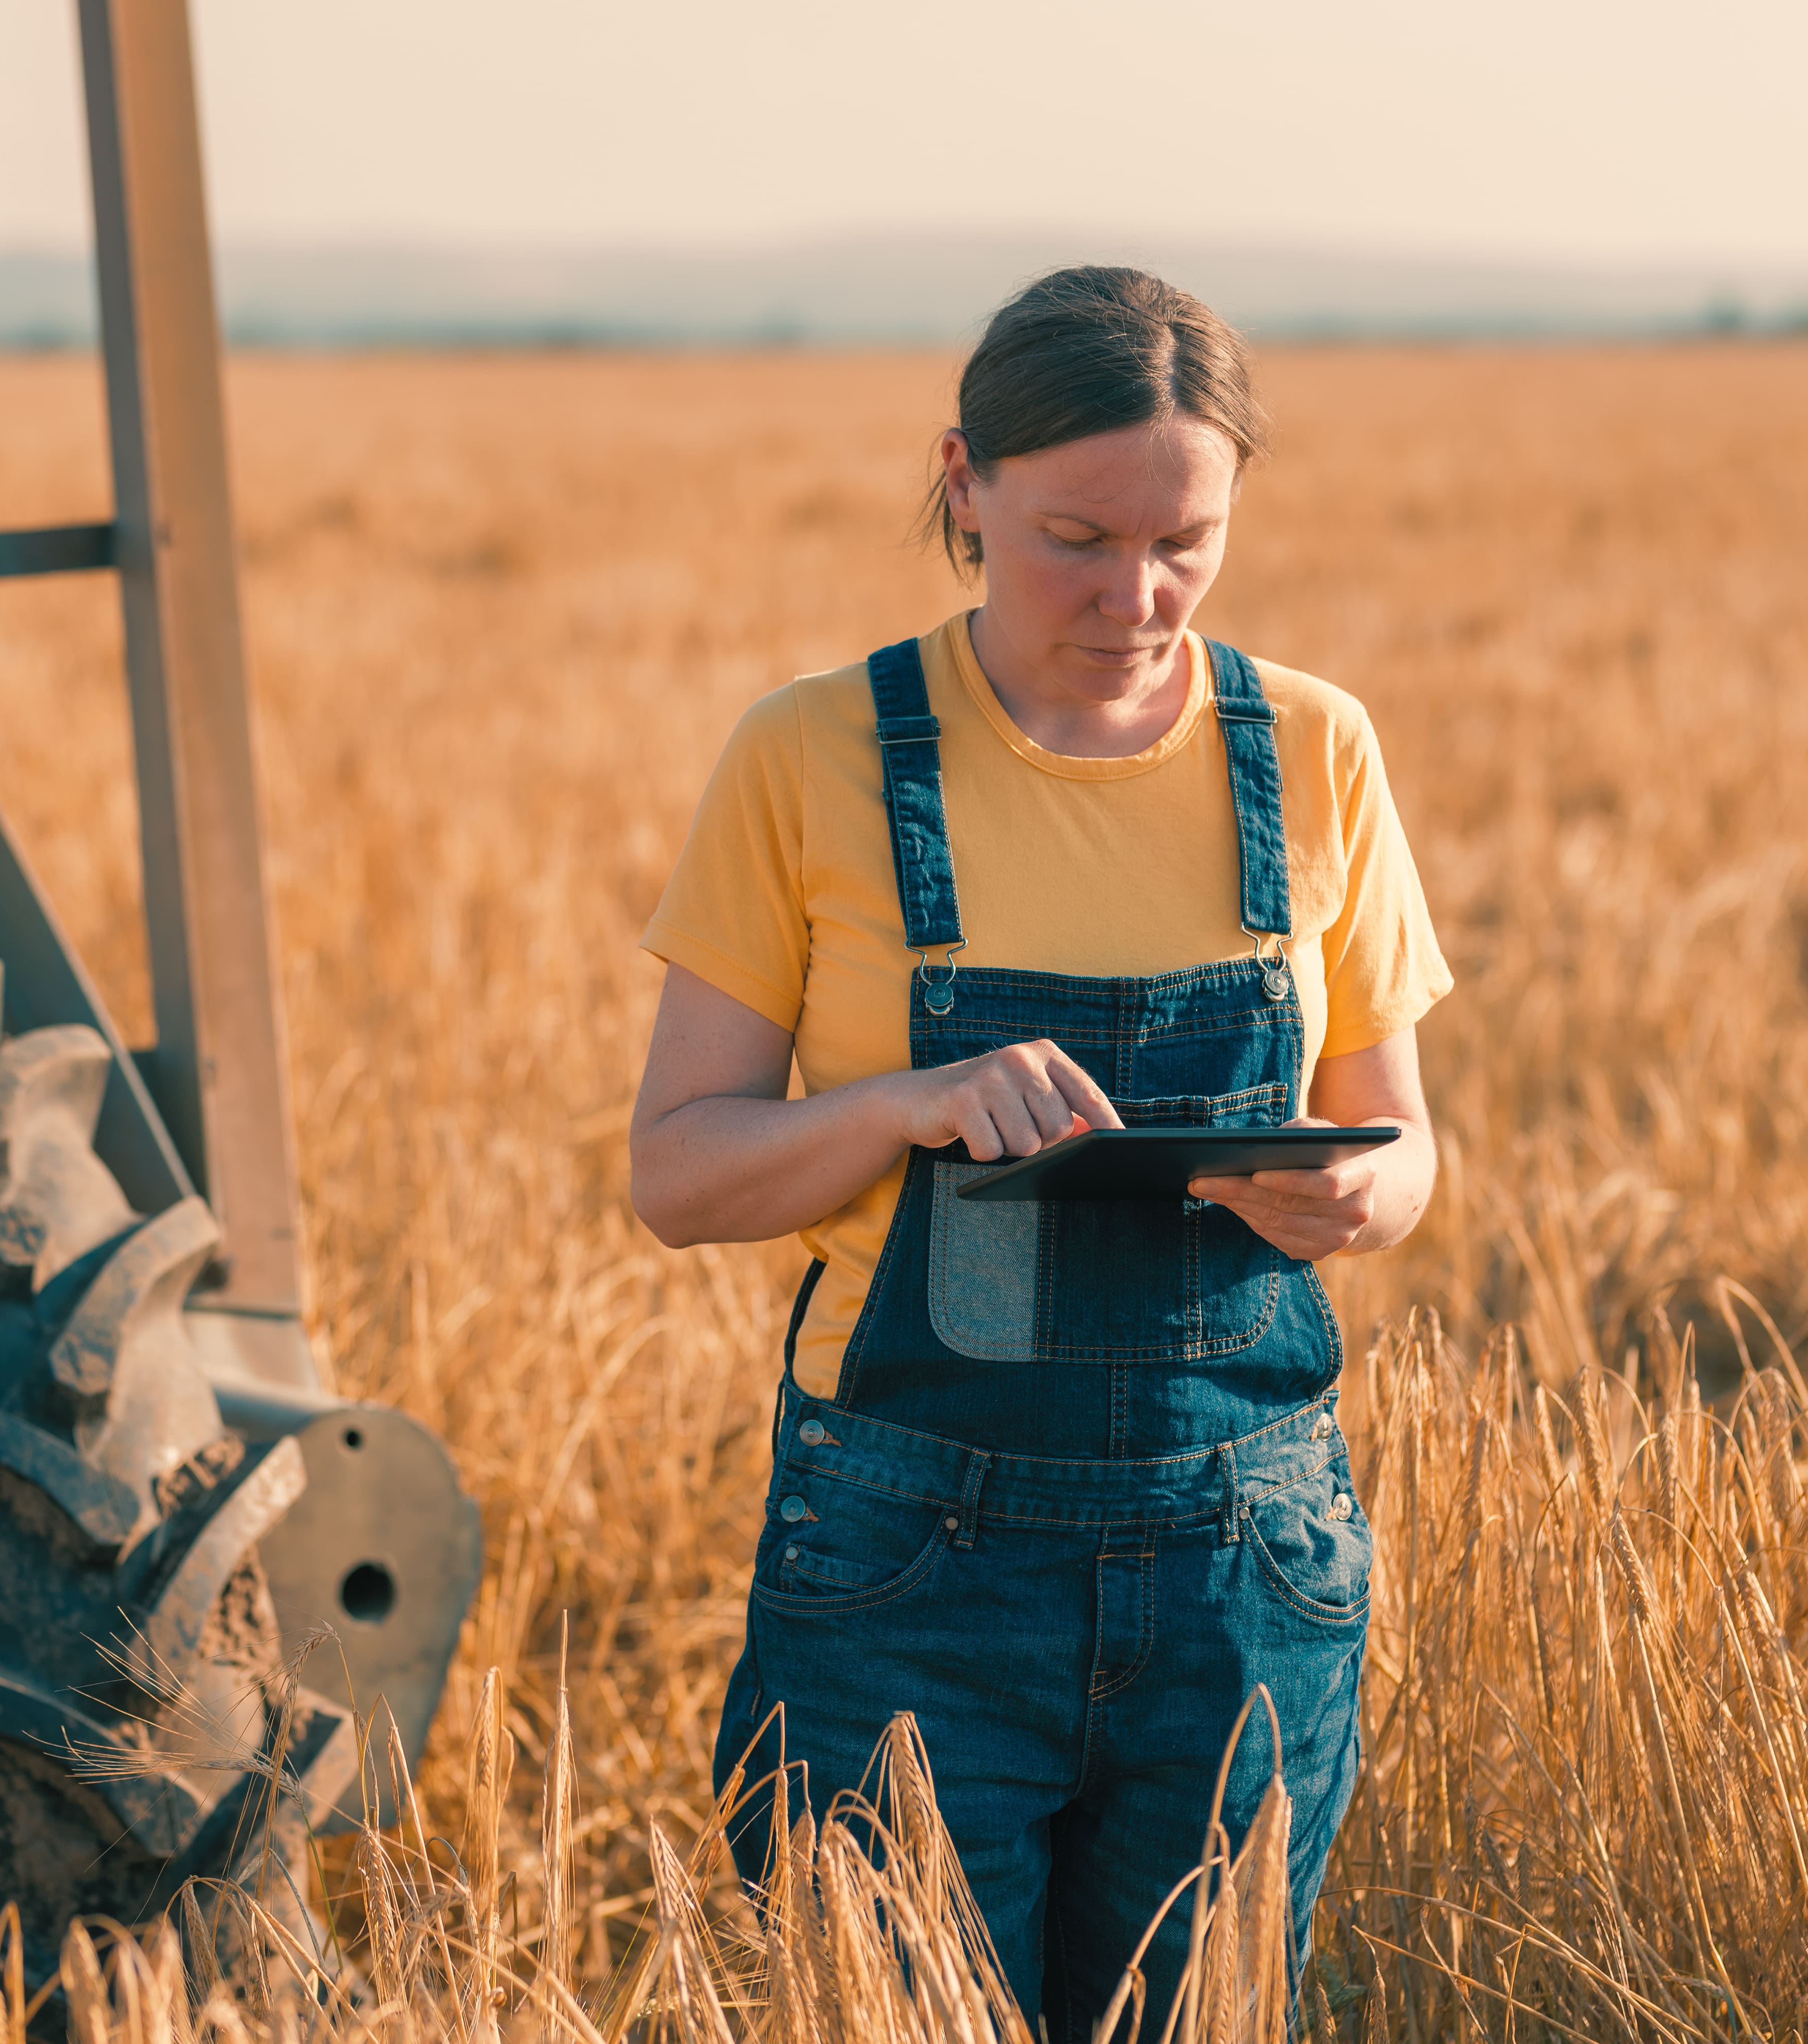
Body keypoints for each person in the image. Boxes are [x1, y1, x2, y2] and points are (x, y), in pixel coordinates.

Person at [628, 266, 1451, 2026]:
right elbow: (679, 1175)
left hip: (1252, 1560)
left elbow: (1404, 1145)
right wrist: (902, 1107)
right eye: (1078, 535)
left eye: (1186, 544)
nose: (1134, 597)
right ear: (963, 482)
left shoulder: (1315, 750)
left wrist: (1354, 1192)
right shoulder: (811, 756)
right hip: (909, 1570)